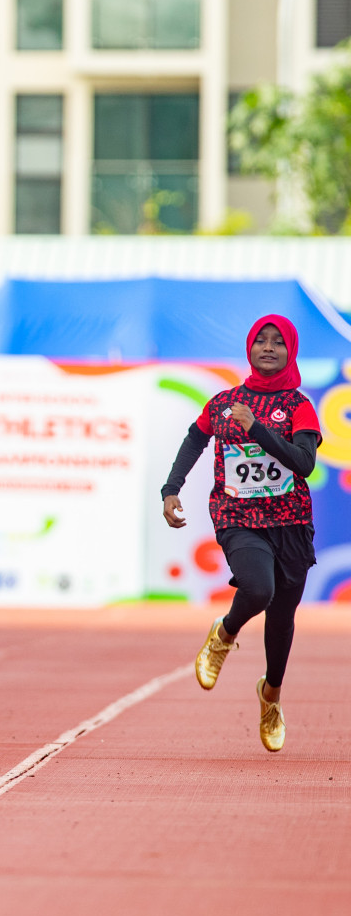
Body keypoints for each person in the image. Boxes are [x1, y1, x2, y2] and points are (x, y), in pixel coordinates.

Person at [162, 314, 320, 752]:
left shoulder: (300, 405)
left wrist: (258, 429)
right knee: (257, 588)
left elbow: (303, 463)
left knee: (281, 618)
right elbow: (195, 439)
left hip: (289, 522)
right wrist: (171, 489)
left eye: (278, 342)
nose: (268, 348)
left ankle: (271, 696)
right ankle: (224, 634)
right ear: (249, 348)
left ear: (291, 351)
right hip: (238, 516)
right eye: (260, 341)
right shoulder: (223, 403)